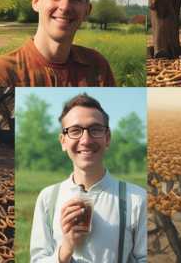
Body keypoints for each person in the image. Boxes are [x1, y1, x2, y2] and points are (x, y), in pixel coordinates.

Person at [30, 94, 146, 262]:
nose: (85, 140)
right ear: (63, 141)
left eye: (95, 130)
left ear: (107, 138)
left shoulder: (138, 199)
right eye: (75, 131)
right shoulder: (47, 198)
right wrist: (66, 248)